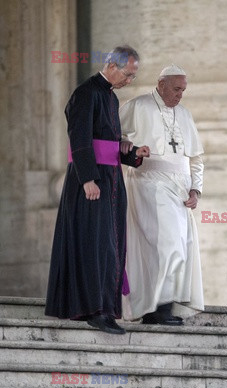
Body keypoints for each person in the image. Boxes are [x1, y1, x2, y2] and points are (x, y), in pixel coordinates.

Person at [45, 45, 150, 334]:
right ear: (112, 66)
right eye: (128, 74)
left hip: (112, 180)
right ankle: (94, 309)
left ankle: (106, 308)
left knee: (111, 245)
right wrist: (88, 179)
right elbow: (79, 139)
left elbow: (109, 145)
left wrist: (131, 152)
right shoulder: (85, 93)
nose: (130, 80)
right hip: (89, 182)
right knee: (95, 245)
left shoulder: (112, 99)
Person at [119, 64, 204, 325]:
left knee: (179, 245)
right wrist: (125, 145)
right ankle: (159, 309)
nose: (180, 95)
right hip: (150, 183)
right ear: (161, 84)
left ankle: (161, 308)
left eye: (183, 90)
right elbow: (114, 137)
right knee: (166, 245)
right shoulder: (138, 106)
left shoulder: (185, 114)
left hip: (180, 189)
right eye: (176, 89)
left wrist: (196, 189)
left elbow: (196, 157)